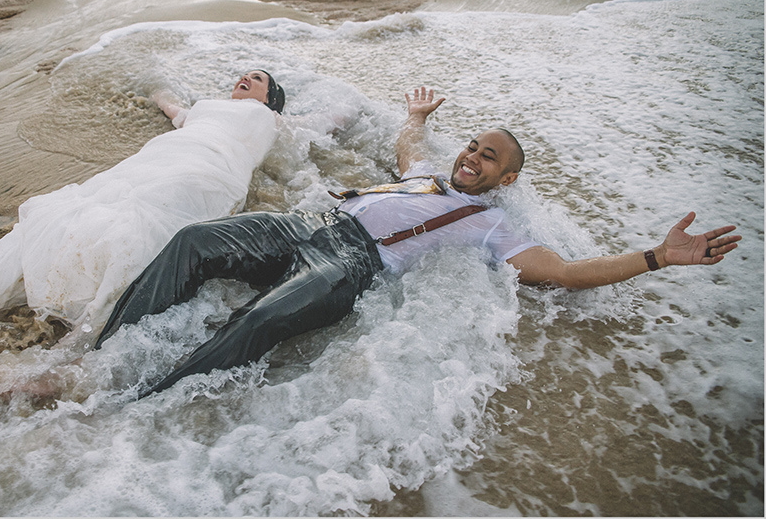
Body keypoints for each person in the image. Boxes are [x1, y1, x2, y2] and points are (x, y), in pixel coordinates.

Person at [94, 87, 742, 398]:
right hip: (312, 225)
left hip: (349, 267)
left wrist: (659, 256)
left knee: (259, 317)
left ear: (505, 178)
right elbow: (409, 148)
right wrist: (417, 118)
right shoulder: (426, 174)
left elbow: (567, 272)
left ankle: (133, 396)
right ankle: (98, 360)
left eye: (488, 158)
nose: (472, 158)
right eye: (471, 146)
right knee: (193, 240)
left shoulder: (491, 224)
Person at [0, 70, 288, 351]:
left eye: (256, 78)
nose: (245, 78)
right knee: (69, 217)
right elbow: (172, 109)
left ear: (269, 98)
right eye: (243, 74)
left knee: (142, 232)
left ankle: (72, 350)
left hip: (208, 169)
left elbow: (321, 124)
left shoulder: (270, 120)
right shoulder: (204, 110)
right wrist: (150, 83)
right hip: (160, 157)